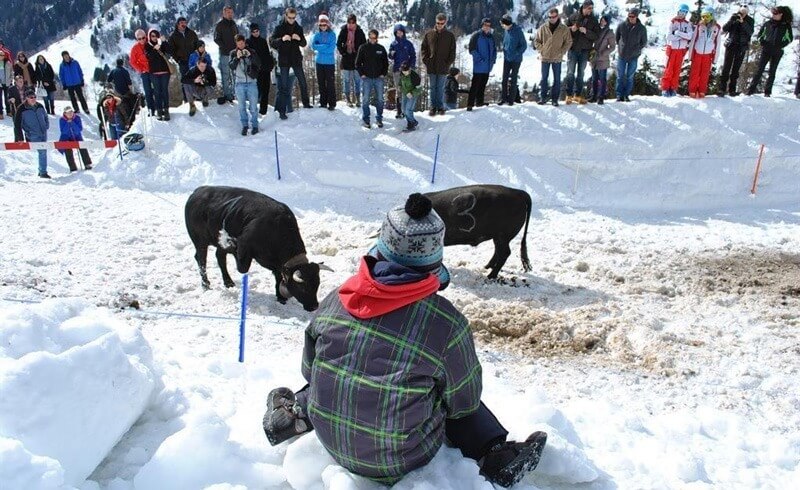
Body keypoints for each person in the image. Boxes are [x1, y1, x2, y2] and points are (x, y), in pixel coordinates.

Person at [262, 193, 549, 489]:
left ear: (380, 251)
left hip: (329, 436)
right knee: (456, 388)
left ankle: (290, 414)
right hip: (400, 459)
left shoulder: (338, 298)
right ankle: (494, 455)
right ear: (433, 263)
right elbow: (463, 403)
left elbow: (310, 370)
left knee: (336, 372)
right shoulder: (446, 324)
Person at [271, 7, 311, 119]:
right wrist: (282, 39)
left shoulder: (298, 28)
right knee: (283, 87)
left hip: (296, 59)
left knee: (303, 82)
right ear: (285, 16)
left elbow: (304, 43)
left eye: (294, 18)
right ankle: (282, 112)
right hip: (284, 60)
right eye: (290, 18)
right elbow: (272, 42)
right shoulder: (279, 28)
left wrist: (299, 38)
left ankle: (306, 104)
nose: (292, 20)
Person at [746, 6, 794, 97]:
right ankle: (750, 90)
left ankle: (767, 92)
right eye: (773, 13)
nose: (773, 15)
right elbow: (760, 35)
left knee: (772, 71)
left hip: (777, 51)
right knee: (759, 70)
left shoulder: (786, 25)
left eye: (775, 14)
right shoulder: (768, 23)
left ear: (781, 14)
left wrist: (781, 45)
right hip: (766, 50)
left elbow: (790, 38)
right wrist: (763, 42)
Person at [535, 8, 572, 107]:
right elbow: (536, 41)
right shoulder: (543, 28)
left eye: (554, 17)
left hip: (557, 58)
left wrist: (562, 52)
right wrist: (542, 50)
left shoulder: (564, 29)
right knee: (544, 78)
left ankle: (555, 99)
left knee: (557, 79)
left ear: (558, 16)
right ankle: (543, 98)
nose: (551, 19)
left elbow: (568, 42)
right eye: (550, 17)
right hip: (545, 57)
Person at [564, 0, 599, 104]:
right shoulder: (573, 17)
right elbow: (563, 30)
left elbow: (596, 36)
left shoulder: (594, 20)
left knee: (581, 74)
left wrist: (586, 32)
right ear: (584, 7)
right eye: (589, 8)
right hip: (573, 49)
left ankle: (577, 95)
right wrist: (571, 29)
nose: (591, 10)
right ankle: (568, 95)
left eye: (592, 8)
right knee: (570, 73)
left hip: (585, 51)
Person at [421, 13, 456, 115]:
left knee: (440, 87)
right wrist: (426, 61)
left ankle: (440, 107)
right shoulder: (429, 34)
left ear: (445, 23)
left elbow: (452, 51)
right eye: (438, 23)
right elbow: (424, 49)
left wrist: (447, 63)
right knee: (432, 87)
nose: (440, 25)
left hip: (443, 67)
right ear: (435, 22)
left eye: (442, 23)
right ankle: (433, 107)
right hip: (431, 66)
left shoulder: (450, 36)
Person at [717, 5, 754, 97]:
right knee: (726, 67)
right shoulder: (734, 17)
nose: (742, 14)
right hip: (731, 45)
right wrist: (731, 21)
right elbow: (725, 29)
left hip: (742, 46)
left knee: (736, 69)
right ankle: (722, 88)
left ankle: (732, 89)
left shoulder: (750, 20)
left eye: (744, 13)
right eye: (741, 12)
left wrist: (743, 22)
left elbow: (750, 32)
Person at [355, 29, 389, 128]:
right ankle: (366, 120)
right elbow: (357, 63)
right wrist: (362, 74)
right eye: (371, 37)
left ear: (377, 38)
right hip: (367, 78)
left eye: (374, 38)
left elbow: (385, 63)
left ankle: (379, 119)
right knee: (365, 100)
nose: (372, 39)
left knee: (380, 100)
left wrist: (383, 73)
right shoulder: (363, 47)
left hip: (379, 78)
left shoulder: (381, 48)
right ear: (368, 37)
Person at [15, 89, 50, 178]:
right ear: (26, 98)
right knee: (42, 151)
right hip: (32, 134)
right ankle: (43, 173)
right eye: (31, 97)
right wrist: (20, 137)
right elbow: (17, 124)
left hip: (43, 132)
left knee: (44, 151)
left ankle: (41, 171)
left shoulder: (40, 106)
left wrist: (46, 126)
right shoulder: (21, 109)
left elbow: (45, 116)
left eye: (35, 97)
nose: (33, 99)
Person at [229, 34, 261, 135]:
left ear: (244, 42)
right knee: (241, 106)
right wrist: (237, 58)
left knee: (253, 106)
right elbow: (231, 66)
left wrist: (250, 56)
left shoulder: (251, 51)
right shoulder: (233, 53)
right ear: (236, 44)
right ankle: (245, 125)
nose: (241, 45)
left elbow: (259, 63)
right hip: (239, 83)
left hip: (251, 82)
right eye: (239, 44)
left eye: (242, 43)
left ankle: (255, 125)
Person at [687, 7, 721, 98]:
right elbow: (693, 40)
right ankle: (692, 91)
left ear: (712, 16)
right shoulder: (699, 26)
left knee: (705, 73)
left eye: (707, 16)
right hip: (698, 53)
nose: (704, 19)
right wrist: (690, 55)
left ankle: (702, 90)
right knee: (695, 72)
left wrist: (715, 58)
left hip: (708, 54)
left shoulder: (716, 28)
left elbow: (718, 43)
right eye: (703, 16)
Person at [660, 4, 693, 97]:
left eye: (684, 13)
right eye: (681, 12)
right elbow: (669, 37)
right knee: (669, 70)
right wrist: (681, 37)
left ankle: (673, 88)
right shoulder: (673, 22)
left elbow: (689, 36)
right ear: (678, 12)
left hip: (681, 50)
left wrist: (678, 33)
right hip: (672, 49)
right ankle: (665, 88)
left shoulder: (687, 24)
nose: (682, 14)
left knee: (677, 70)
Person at [615, 8, 647, 102]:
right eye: (629, 16)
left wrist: (637, 49)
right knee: (620, 76)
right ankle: (619, 95)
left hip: (633, 56)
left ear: (636, 16)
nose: (630, 18)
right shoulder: (621, 25)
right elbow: (617, 38)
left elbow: (643, 42)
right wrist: (621, 47)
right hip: (622, 55)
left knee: (629, 76)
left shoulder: (641, 28)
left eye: (632, 16)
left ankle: (626, 95)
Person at [467, 18, 497, 111]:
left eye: (489, 25)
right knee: (475, 86)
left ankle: (480, 102)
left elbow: (494, 50)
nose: (487, 27)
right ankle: (470, 104)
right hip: (479, 66)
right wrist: (479, 59)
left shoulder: (491, 37)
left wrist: (493, 60)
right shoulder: (476, 36)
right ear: (482, 25)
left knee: (483, 85)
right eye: (485, 25)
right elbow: (471, 49)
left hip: (488, 66)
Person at [337, 14, 367, 107]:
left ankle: (358, 99)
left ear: (355, 23)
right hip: (346, 58)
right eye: (349, 22)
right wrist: (344, 52)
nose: (351, 24)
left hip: (357, 59)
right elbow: (338, 44)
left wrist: (360, 55)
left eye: (353, 22)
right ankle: (348, 99)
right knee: (346, 80)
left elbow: (364, 46)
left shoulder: (360, 31)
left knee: (357, 80)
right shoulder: (343, 31)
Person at [498, 14, 527, 107]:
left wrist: (516, 53)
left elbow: (524, 46)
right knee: (504, 79)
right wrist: (505, 52)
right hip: (507, 59)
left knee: (513, 80)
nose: (502, 26)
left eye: (503, 24)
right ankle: (503, 98)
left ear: (507, 24)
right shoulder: (506, 31)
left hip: (516, 60)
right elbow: (505, 43)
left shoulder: (518, 31)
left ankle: (511, 100)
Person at [247, 22, 275, 115]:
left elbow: (267, 54)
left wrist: (270, 64)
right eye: (253, 31)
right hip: (256, 70)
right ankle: (253, 110)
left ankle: (263, 111)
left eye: (257, 31)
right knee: (256, 91)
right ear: (251, 32)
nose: (256, 33)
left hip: (266, 69)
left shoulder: (263, 41)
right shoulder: (248, 42)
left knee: (266, 90)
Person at [168, 16, 199, 102]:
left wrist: (197, 56)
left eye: (185, 23)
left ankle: (197, 97)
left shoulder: (192, 33)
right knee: (185, 80)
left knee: (195, 77)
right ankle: (187, 99)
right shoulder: (173, 36)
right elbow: (171, 50)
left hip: (193, 60)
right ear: (178, 24)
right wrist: (177, 59)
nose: (184, 24)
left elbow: (198, 44)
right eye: (182, 23)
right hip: (182, 61)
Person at [389, 23, 416, 118]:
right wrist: (391, 54)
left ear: (403, 33)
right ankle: (399, 110)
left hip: (406, 71)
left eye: (400, 32)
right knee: (399, 89)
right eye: (397, 33)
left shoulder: (408, 44)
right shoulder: (393, 44)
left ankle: (407, 110)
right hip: (396, 70)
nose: (399, 34)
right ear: (395, 33)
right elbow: (390, 56)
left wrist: (411, 66)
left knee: (407, 89)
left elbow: (413, 56)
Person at [145, 29, 173, 120]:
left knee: (164, 91)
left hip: (165, 71)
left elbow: (170, 51)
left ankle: (166, 110)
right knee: (157, 92)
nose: (154, 38)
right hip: (154, 73)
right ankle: (159, 110)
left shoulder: (162, 44)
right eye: (152, 36)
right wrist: (154, 49)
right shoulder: (147, 46)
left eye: (156, 36)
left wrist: (164, 41)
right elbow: (149, 57)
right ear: (149, 37)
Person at [214, 5, 239, 104]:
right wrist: (224, 47)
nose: (230, 14)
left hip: (235, 53)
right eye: (228, 12)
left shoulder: (233, 24)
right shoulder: (220, 25)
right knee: (226, 75)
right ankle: (227, 95)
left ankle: (234, 94)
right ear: (224, 13)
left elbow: (238, 36)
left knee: (235, 74)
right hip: (225, 54)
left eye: (231, 12)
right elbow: (216, 38)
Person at [312, 13, 337, 110]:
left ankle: (331, 103)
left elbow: (331, 49)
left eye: (324, 24)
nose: (323, 26)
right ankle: (323, 103)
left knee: (330, 83)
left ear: (328, 24)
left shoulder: (332, 35)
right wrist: (325, 46)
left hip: (329, 63)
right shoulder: (317, 35)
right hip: (319, 63)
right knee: (321, 83)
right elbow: (313, 46)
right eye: (321, 25)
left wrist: (320, 46)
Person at [589, 14, 615, 104]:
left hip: (603, 59)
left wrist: (604, 53)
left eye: (604, 20)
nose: (602, 22)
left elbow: (612, 47)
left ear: (607, 22)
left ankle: (601, 97)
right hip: (594, 58)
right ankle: (594, 95)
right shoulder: (596, 30)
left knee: (602, 78)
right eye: (602, 20)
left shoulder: (610, 33)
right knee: (594, 78)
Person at [58, 106, 93, 172]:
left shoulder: (77, 118)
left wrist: (72, 123)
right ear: (65, 113)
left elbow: (79, 129)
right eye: (68, 112)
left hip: (77, 136)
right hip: (66, 137)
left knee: (82, 146)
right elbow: (63, 131)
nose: (70, 114)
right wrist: (68, 124)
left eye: (71, 112)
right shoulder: (61, 120)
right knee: (67, 149)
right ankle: (72, 167)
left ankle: (87, 163)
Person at [130, 28, 156, 116]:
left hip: (154, 70)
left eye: (143, 38)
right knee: (147, 91)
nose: (142, 40)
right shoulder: (135, 48)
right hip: (145, 72)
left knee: (157, 90)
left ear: (146, 37)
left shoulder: (150, 44)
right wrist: (141, 69)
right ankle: (150, 109)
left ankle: (159, 107)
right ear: (137, 39)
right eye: (139, 38)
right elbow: (132, 61)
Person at [398, 62, 421, 130]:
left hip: (412, 95)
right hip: (405, 93)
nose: (404, 72)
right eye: (403, 71)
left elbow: (419, 88)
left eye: (406, 71)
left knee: (408, 110)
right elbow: (400, 82)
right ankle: (413, 122)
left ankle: (411, 124)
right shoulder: (402, 74)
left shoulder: (415, 76)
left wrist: (412, 93)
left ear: (409, 69)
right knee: (404, 110)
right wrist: (399, 86)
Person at [0, 51, 12, 119]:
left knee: (7, 98)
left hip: (7, 83)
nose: (1, 56)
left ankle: (9, 111)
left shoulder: (8, 63)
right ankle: (0, 113)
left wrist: (10, 80)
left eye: (2, 55)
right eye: (0, 55)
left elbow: (11, 72)